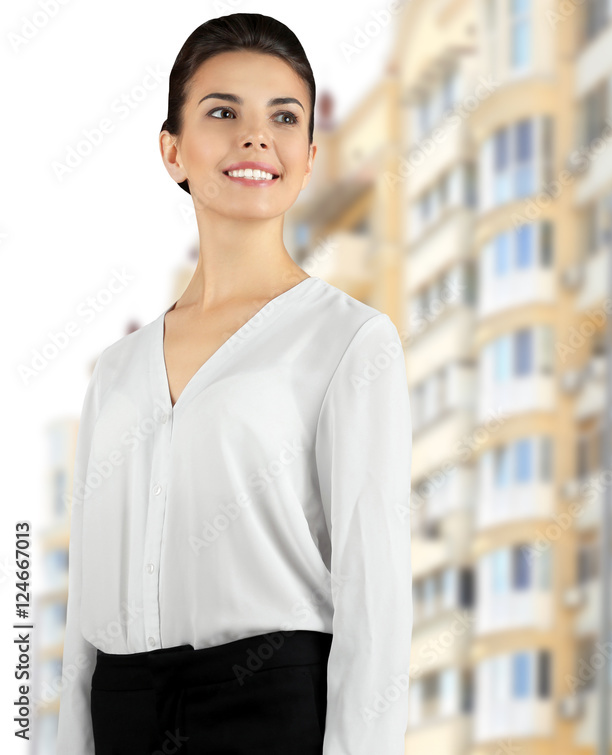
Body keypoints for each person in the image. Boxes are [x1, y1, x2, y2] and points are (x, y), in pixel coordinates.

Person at [54, 13, 413, 754]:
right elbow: (81, 616)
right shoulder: (116, 374)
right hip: (120, 715)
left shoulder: (349, 341)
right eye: (223, 112)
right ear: (172, 149)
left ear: (309, 155)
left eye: (283, 117)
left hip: (272, 715)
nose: (256, 137)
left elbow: (375, 601)